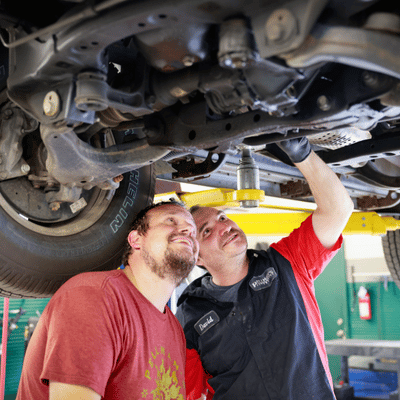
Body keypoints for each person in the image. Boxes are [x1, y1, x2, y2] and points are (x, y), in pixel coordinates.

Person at [176, 138, 354, 400]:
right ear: (197, 257)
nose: (224, 226)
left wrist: (302, 153)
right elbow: (190, 392)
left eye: (222, 217)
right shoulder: (189, 313)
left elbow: (338, 210)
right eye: (207, 231)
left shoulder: (286, 263)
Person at [16, 200, 199, 400]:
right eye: (171, 220)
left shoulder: (174, 329)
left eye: (192, 231)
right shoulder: (93, 296)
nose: (188, 229)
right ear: (136, 239)